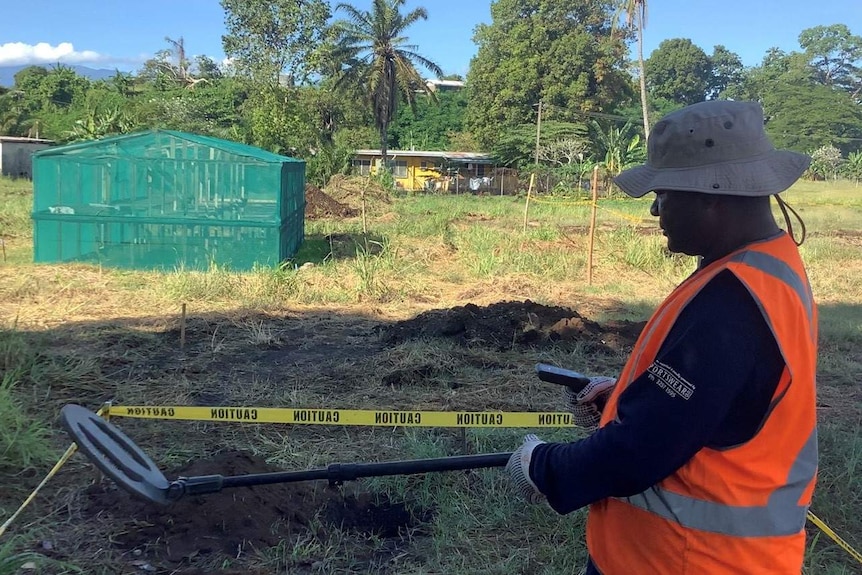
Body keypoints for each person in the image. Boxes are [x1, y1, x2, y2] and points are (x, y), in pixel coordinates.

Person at [505, 100, 818, 575]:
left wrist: (541, 466)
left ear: (711, 196)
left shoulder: (734, 302)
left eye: (664, 194)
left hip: (688, 561)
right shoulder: (767, 269)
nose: (654, 210)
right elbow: (724, 396)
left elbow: (635, 455)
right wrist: (640, 396)